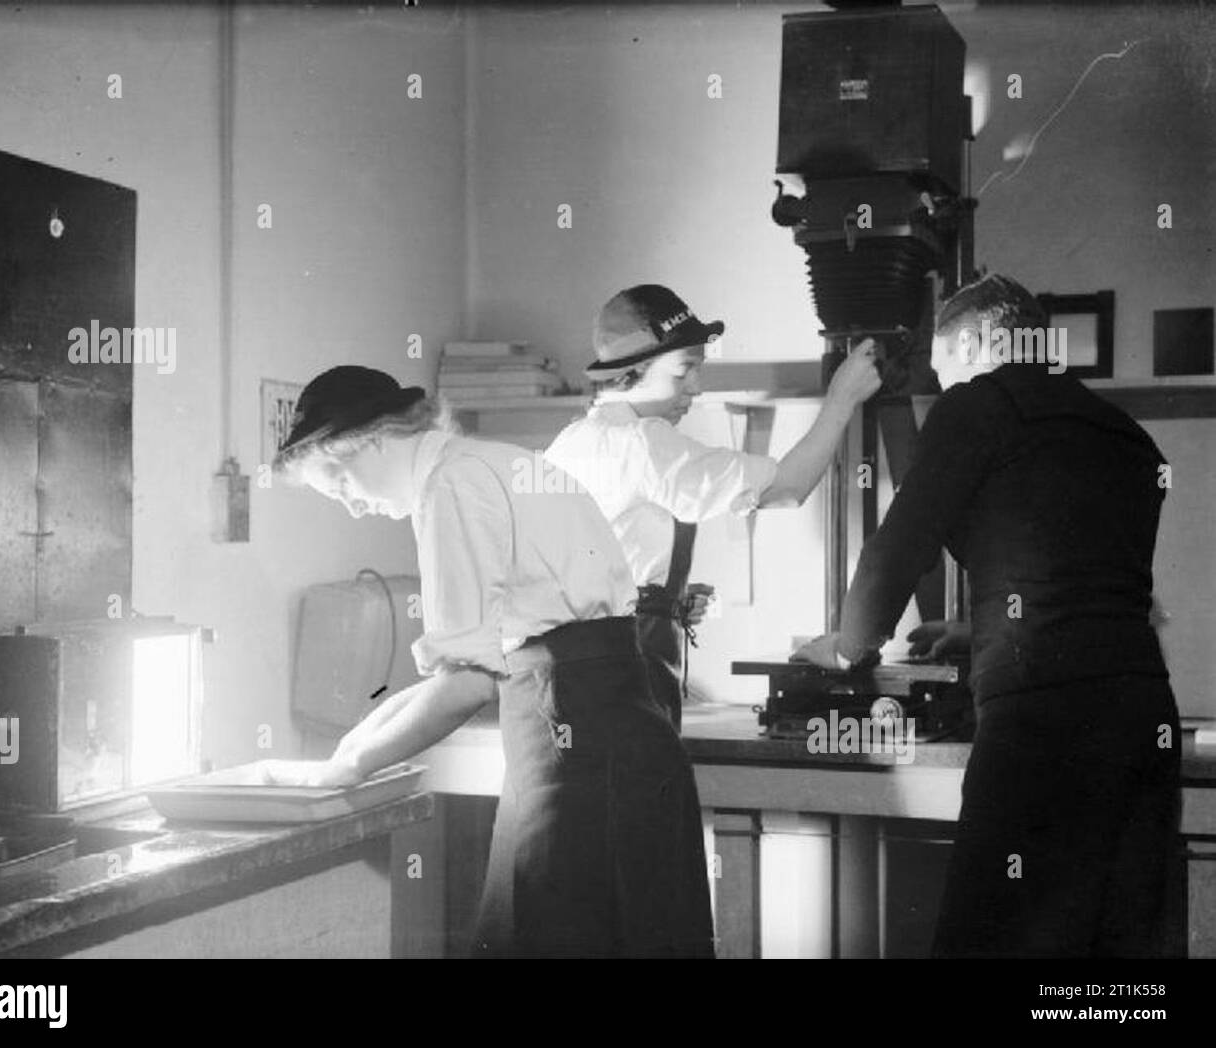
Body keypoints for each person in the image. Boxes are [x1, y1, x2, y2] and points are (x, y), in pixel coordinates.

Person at [269, 365, 715, 958]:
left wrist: (347, 771)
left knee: (549, 936)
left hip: (576, 742)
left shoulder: (451, 488)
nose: (351, 506)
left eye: (340, 481)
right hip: (617, 728)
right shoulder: (495, 462)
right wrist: (348, 754)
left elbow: (468, 686)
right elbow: (461, 670)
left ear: (373, 439)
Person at [794, 274, 1180, 958]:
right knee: (1114, 948)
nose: (946, 388)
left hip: (1040, 721)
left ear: (977, 341)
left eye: (947, 370)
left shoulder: (979, 405)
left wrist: (851, 646)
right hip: (1141, 715)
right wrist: (975, 628)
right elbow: (1090, 585)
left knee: (997, 934)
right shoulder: (1125, 435)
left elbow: (896, 548)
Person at [545, 284, 881, 730]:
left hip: (568, 681)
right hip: (624, 677)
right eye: (684, 370)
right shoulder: (643, 443)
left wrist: (665, 600)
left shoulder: (571, 441)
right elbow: (787, 488)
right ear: (636, 369)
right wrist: (842, 400)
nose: (696, 388)